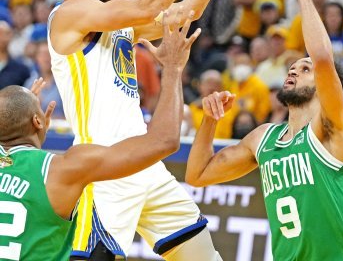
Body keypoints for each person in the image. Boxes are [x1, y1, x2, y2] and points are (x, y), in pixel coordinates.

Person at [48, 0, 261, 260]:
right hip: (106, 166)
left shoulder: (117, 26)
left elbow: (186, 12)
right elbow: (148, 6)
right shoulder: (68, 13)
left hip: (145, 162)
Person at [186, 0, 343, 261]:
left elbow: (323, 58)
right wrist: (210, 121)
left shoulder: (332, 127)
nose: (293, 71)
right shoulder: (263, 138)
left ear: (325, 86)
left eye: (304, 69)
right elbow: (198, 175)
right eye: (292, 67)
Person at [0, 14, 200, 261]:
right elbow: (165, 140)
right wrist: (172, 68)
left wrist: (19, 117)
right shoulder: (66, 169)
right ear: (38, 121)